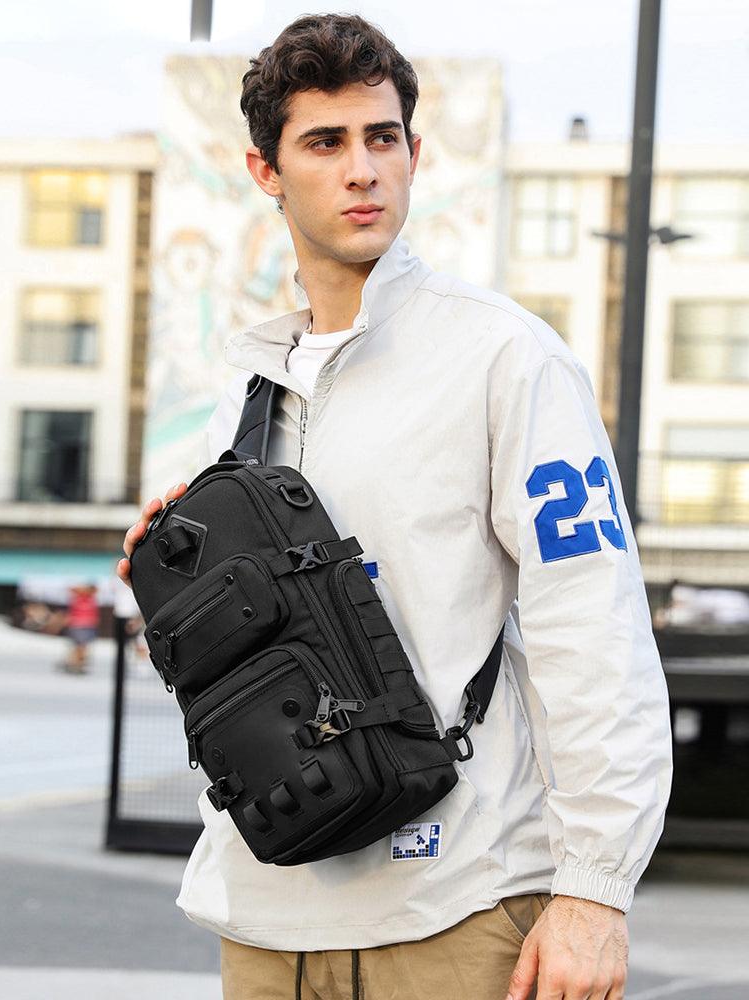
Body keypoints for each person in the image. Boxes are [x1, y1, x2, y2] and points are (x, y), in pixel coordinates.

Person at [117, 14, 673, 1000]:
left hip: (455, 907)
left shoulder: (505, 358)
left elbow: (593, 627)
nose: (362, 170)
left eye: (382, 138)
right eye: (324, 143)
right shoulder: (246, 390)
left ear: (415, 154)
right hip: (265, 912)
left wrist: (595, 889)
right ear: (265, 170)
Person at [61, 582, 99, 674]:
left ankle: (76, 664)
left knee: (81, 647)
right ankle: (75, 664)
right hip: (78, 626)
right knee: (79, 647)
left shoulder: (90, 600)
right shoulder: (78, 599)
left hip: (85, 626)